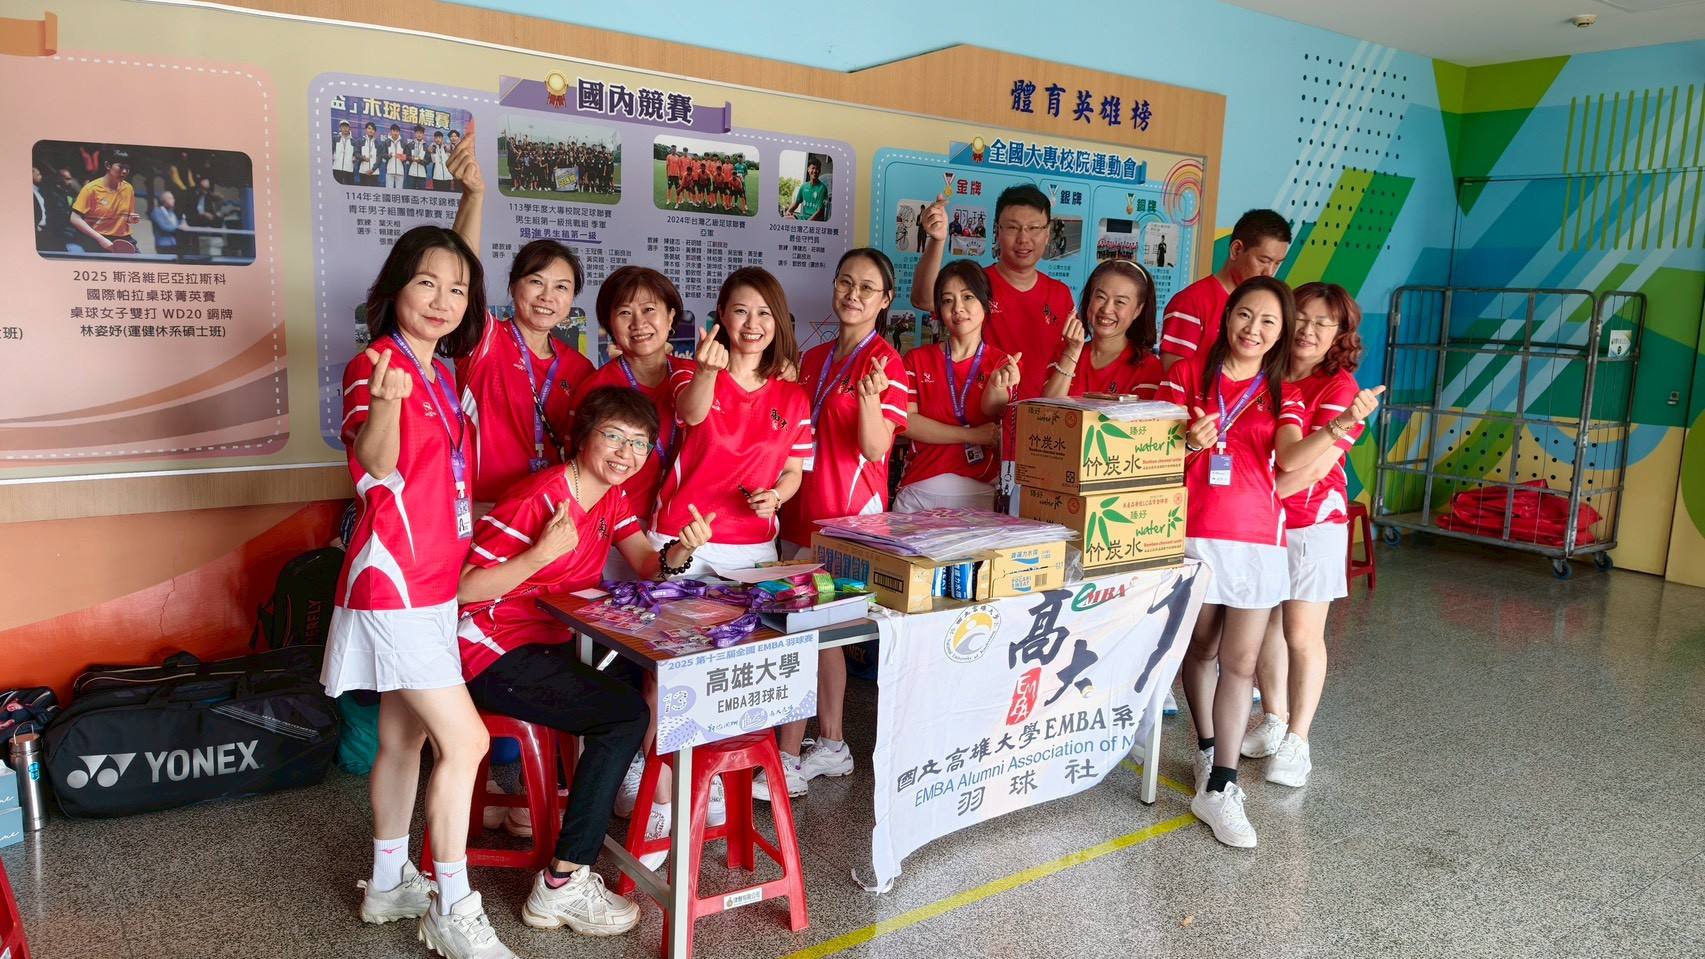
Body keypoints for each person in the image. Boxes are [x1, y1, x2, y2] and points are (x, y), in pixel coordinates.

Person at [318, 225, 516, 958]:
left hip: (435, 586)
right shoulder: (375, 363)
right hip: (393, 583)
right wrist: (385, 406)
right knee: (467, 740)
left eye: (456, 289)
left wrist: (474, 203)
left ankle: (387, 882)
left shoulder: (441, 370)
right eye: (426, 282)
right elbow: (375, 465)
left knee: (403, 738)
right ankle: (453, 907)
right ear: (395, 285)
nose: (442, 299)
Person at [456, 386, 715, 938]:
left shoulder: (612, 500)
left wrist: (680, 552)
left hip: (550, 641)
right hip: (491, 648)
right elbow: (464, 588)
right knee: (623, 716)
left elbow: (646, 564)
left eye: (639, 443)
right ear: (583, 437)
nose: (626, 452)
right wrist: (539, 555)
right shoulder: (539, 496)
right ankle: (562, 881)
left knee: (643, 678)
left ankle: (594, 803)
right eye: (613, 436)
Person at [1155, 276, 1380, 849]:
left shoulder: (1284, 391)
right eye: (1245, 315)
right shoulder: (1187, 376)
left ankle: (1221, 786)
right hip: (1193, 534)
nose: (1254, 329)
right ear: (1227, 314)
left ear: (1279, 334)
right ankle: (1207, 750)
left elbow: (1291, 455)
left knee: (1241, 662)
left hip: (1258, 543)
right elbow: (1149, 450)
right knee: (1200, 650)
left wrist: (1338, 426)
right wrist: (1188, 442)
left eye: (1269, 322)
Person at [761, 250, 909, 800]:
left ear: (885, 299)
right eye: (846, 282)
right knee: (817, 635)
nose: (853, 294)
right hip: (798, 508)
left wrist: (869, 401)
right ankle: (831, 744)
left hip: (847, 522)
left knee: (811, 631)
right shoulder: (815, 357)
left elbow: (875, 448)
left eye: (867, 287)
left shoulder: (887, 364)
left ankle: (786, 759)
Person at [1241, 283, 1374, 788]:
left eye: (1324, 324)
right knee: (1265, 626)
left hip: (1312, 523)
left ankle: (1299, 740)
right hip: (1260, 520)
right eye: (1302, 317)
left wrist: (1259, 496)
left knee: (1300, 632)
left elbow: (1312, 468)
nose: (1308, 330)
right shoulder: (1267, 370)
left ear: (1339, 335)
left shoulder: (1340, 388)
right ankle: (1274, 719)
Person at [449, 126, 596, 505]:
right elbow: (461, 276)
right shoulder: (485, 340)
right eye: (536, 282)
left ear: (571, 299)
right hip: (485, 508)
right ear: (514, 287)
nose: (548, 297)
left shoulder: (580, 369)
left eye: (561, 287)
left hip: (548, 510)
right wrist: (474, 196)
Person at [652, 267, 811, 577]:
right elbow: (692, 413)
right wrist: (707, 372)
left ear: (778, 320)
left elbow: (793, 471)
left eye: (764, 313)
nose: (752, 324)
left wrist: (776, 496)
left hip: (754, 546)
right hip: (683, 535)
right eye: (741, 311)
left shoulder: (794, 397)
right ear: (722, 314)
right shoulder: (689, 372)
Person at [570, 266, 695, 531]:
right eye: (625, 312)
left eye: (649, 309)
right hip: (617, 525)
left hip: (688, 522)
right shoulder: (596, 387)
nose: (638, 323)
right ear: (609, 324)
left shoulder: (697, 378)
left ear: (671, 317)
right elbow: (578, 468)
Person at [893, 259, 1017, 512]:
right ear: (939, 310)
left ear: (986, 303)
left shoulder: (1002, 363)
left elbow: (994, 414)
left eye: (968, 297)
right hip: (918, 495)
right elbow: (907, 422)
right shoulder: (916, 359)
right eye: (948, 300)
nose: (958, 308)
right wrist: (971, 435)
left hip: (980, 496)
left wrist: (996, 386)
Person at [1158, 209, 1291, 371]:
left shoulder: (1272, 306)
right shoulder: (1191, 303)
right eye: (1264, 260)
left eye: (1277, 264)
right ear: (1236, 249)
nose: (1269, 272)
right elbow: (1173, 375)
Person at [1042, 259, 1162, 400]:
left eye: (1120, 302)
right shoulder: (1064, 351)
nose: (1106, 309)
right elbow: (1047, 410)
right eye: (1100, 297)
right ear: (1089, 298)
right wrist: (1071, 353)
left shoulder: (1148, 367)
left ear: (1138, 310)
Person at [69, 150, 140, 252]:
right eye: (120, 167)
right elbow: (75, 218)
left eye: (127, 168)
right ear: (108, 165)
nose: (124, 171)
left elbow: (127, 216)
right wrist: (100, 239)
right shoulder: (91, 189)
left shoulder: (128, 188)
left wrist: (130, 218)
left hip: (124, 239)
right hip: (97, 239)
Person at [149, 189, 182, 256]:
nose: (173, 200)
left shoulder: (171, 212)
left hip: (174, 244)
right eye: (170, 198)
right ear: (163, 200)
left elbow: (175, 224)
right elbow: (164, 227)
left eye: (173, 198)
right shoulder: (157, 212)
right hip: (163, 245)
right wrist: (179, 227)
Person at [333, 120, 357, 185]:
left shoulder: (353, 141)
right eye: (343, 127)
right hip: (336, 168)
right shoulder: (335, 139)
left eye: (346, 127)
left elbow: (356, 154)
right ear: (340, 128)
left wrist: (355, 158)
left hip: (349, 169)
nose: (345, 129)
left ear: (349, 128)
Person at [407, 125, 430, 191]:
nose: (419, 135)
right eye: (417, 133)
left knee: (421, 193)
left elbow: (428, 161)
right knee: (410, 192)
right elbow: (406, 156)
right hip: (411, 173)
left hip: (422, 174)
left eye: (421, 133)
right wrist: (411, 158)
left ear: (423, 134)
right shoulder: (410, 145)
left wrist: (420, 161)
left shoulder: (427, 146)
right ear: (415, 134)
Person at [359, 121, 381, 187]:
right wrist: (362, 158)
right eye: (369, 128)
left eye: (373, 129)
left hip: (374, 173)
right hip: (363, 171)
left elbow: (379, 158)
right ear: (366, 130)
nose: (371, 130)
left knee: (373, 191)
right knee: (363, 191)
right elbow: (356, 153)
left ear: (375, 131)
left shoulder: (378, 144)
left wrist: (373, 169)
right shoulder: (360, 141)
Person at [386, 124, 408, 190]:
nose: (395, 133)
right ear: (391, 131)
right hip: (389, 171)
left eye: (397, 131)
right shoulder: (386, 142)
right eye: (394, 131)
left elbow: (407, 156)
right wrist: (388, 156)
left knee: (399, 191)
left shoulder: (403, 143)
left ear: (399, 132)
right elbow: (382, 155)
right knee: (389, 191)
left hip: (400, 172)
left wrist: (403, 158)